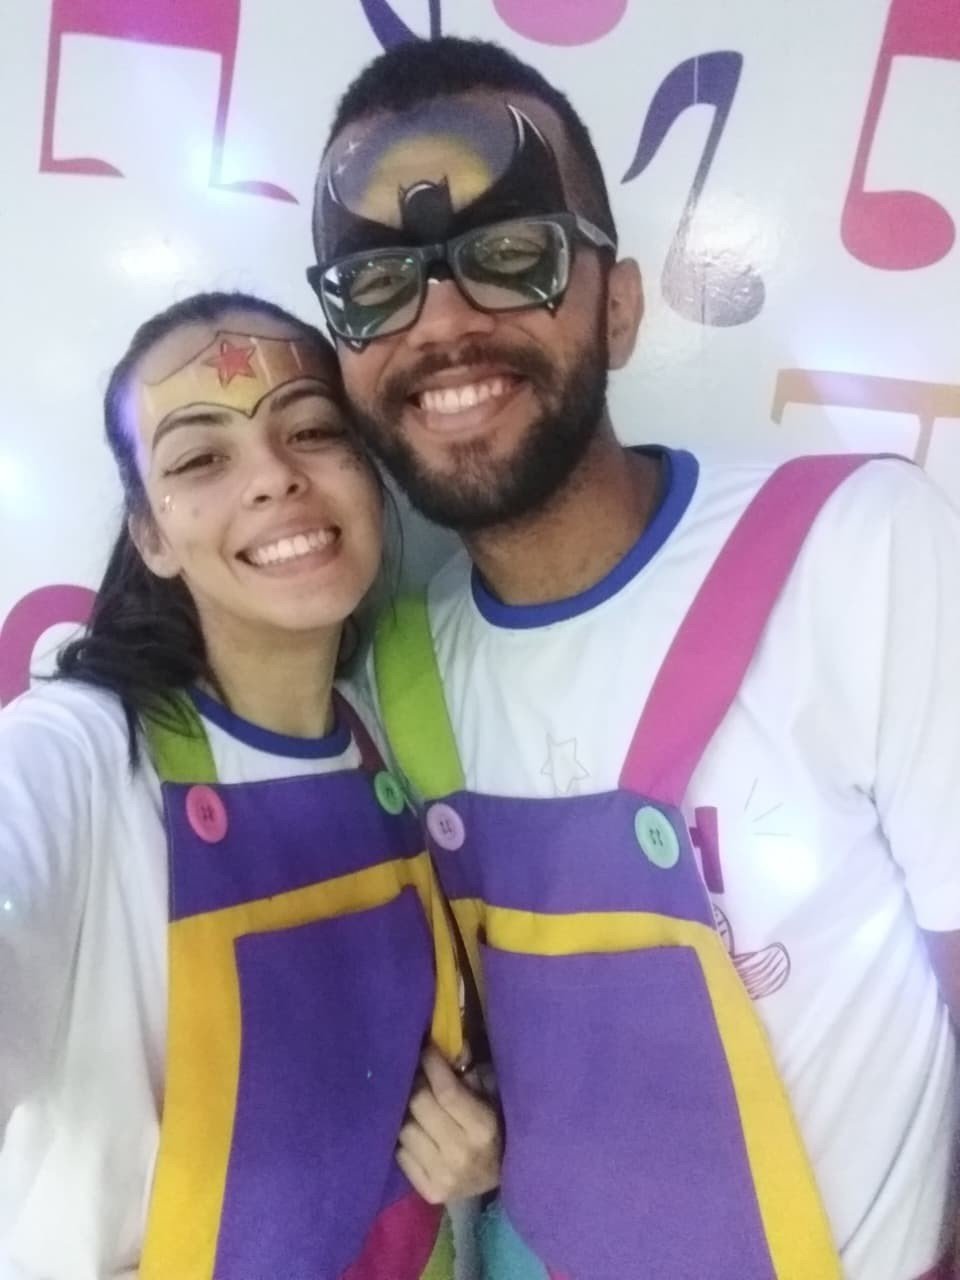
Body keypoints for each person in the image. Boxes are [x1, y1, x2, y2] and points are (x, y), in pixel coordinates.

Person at [307, 37, 960, 1280]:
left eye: (511, 253)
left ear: (619, 303)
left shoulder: (859, 547)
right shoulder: (389, 675)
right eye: (378, 284)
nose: (443, 323)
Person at [0, 291, 499, 1280]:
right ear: (150, 535)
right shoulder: (78, 751)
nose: (274, 477)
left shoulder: (402, 741)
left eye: (311, 430)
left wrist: (476, 1154)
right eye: (200, 459)